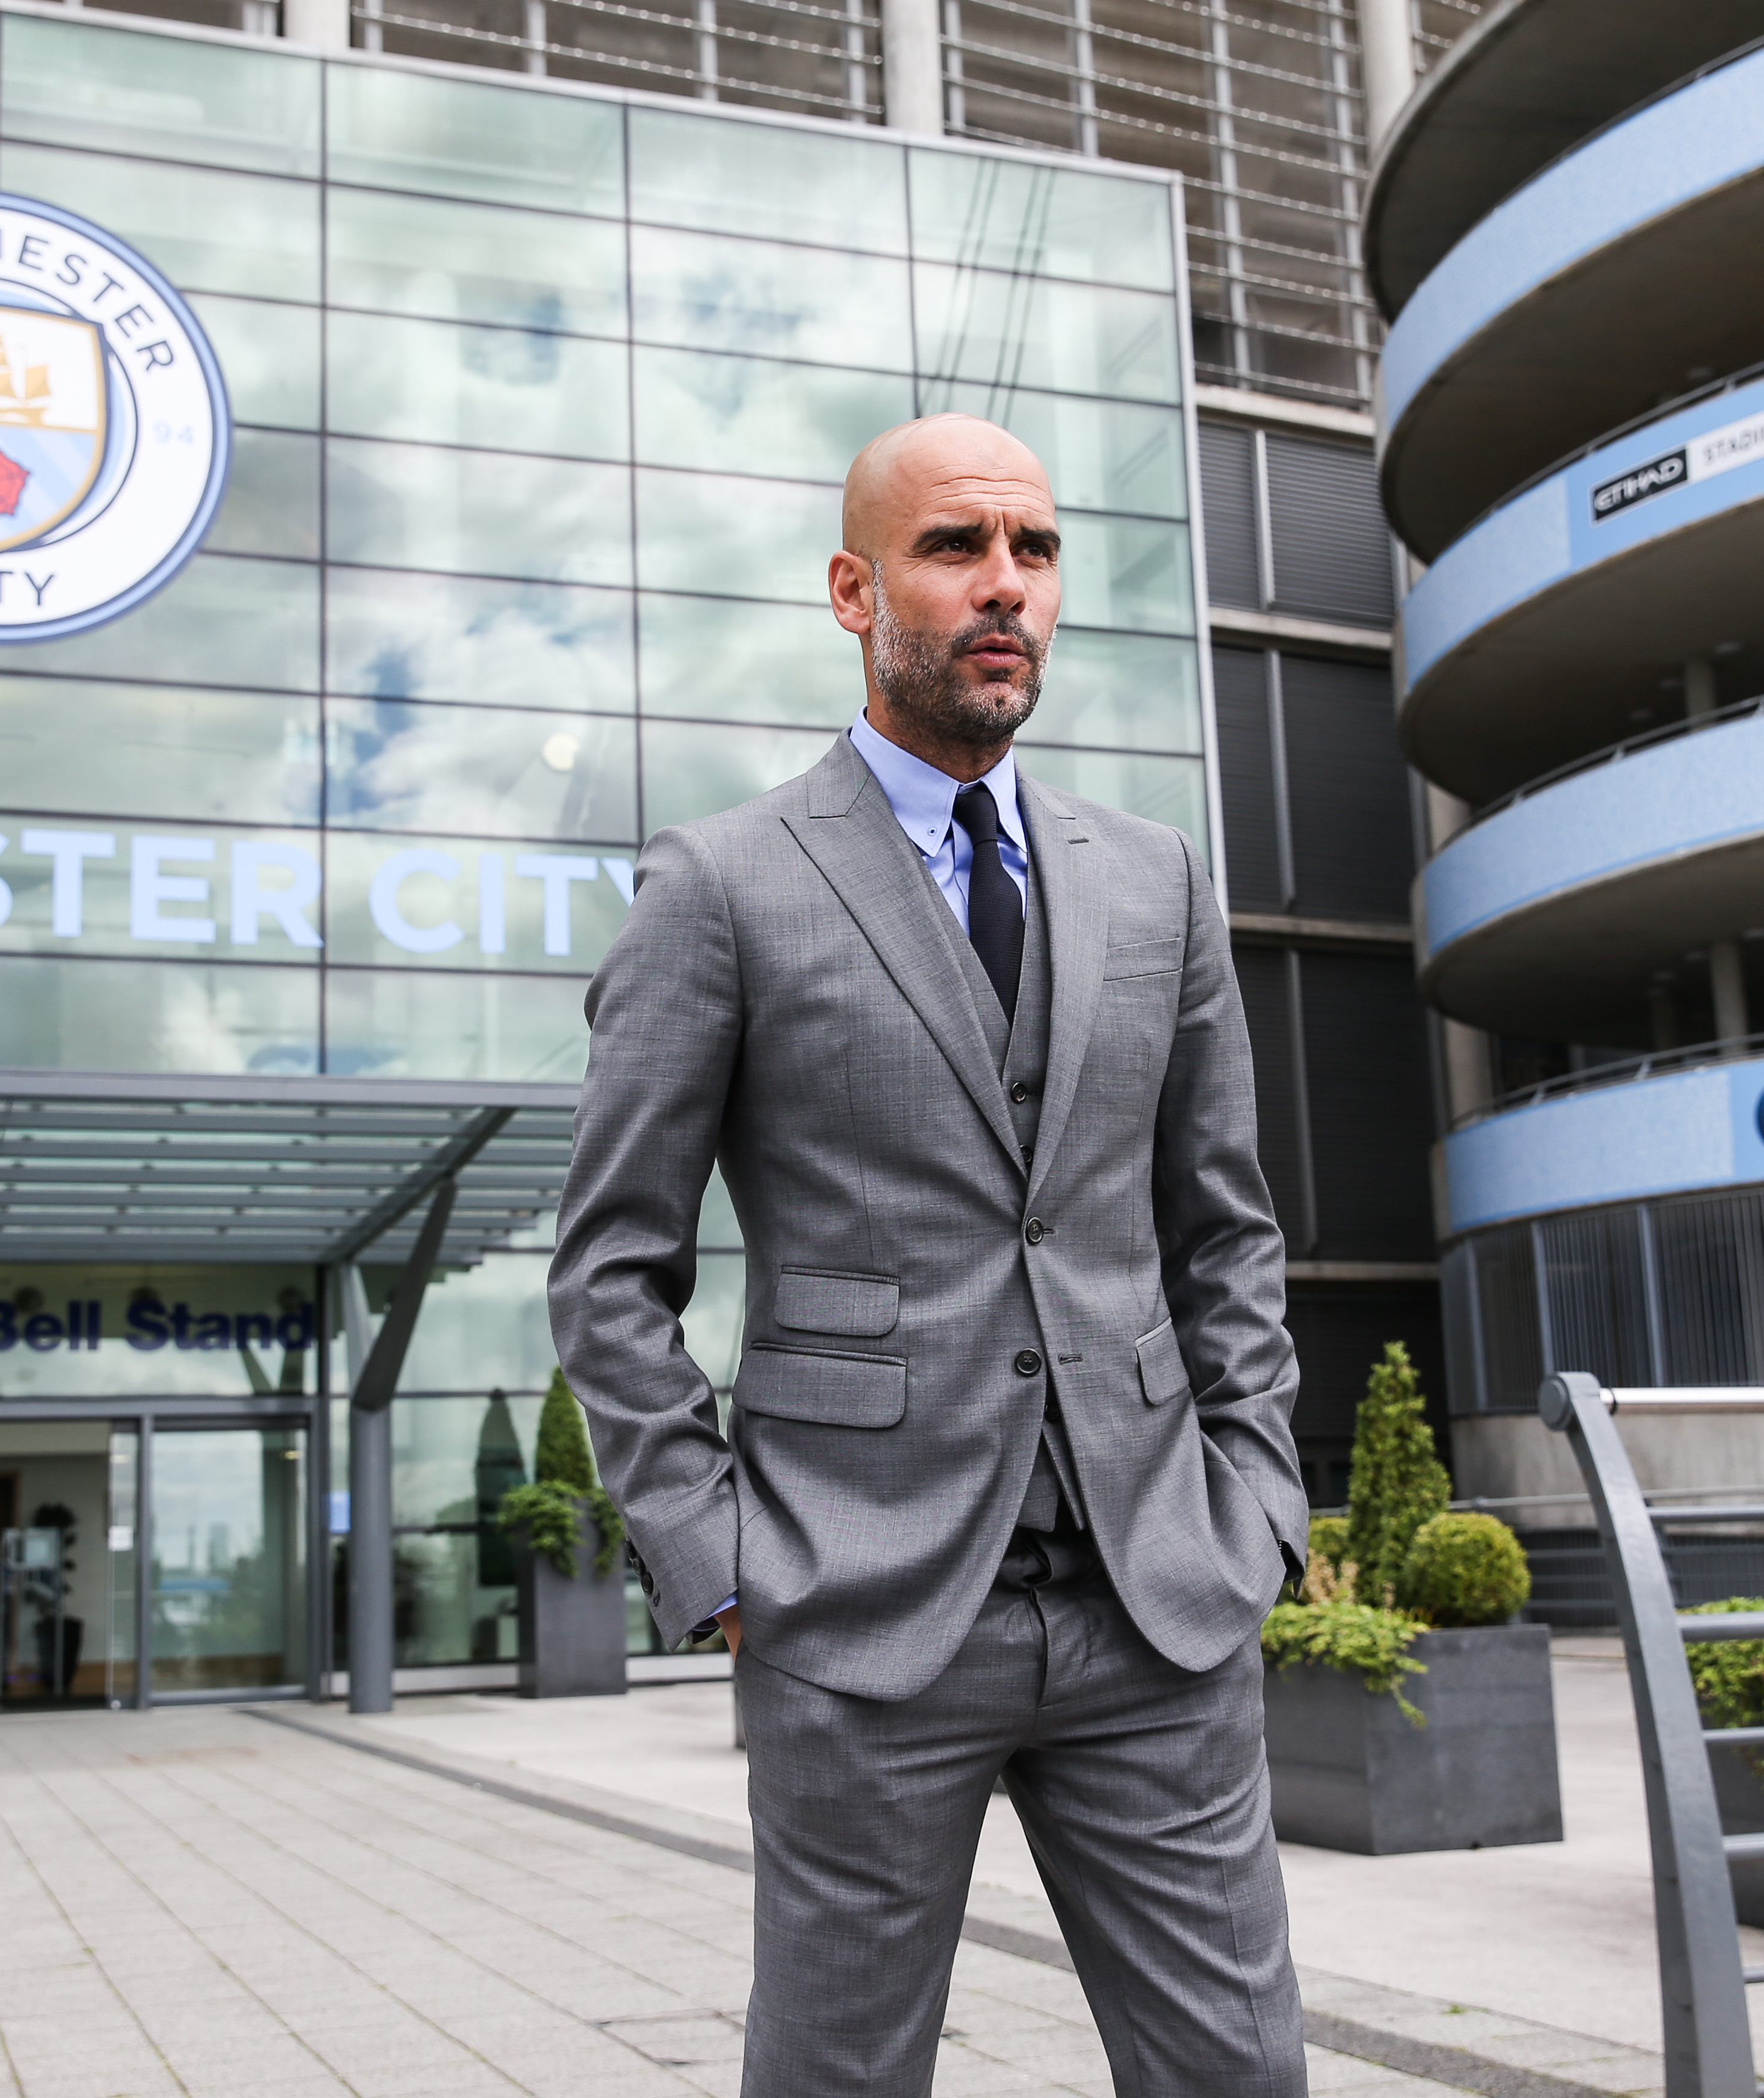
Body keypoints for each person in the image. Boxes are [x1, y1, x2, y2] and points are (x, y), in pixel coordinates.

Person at [549, 413, 1308, 2096]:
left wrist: (1255, 1499)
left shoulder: (1158, 881)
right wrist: (717, 1558)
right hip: (860, 1609)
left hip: (1155, 1604)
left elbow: (1223, 1228)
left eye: (1034, 552)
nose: (1005, 589)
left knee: (1240, 2075)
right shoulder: (722, 886)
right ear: (853, 589)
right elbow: (612, 1264)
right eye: (956, 547)